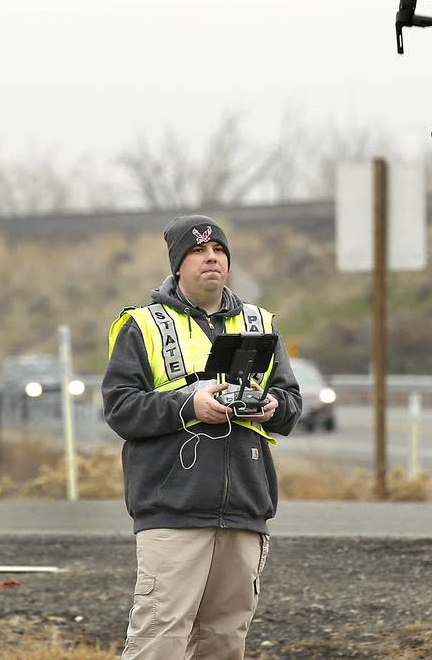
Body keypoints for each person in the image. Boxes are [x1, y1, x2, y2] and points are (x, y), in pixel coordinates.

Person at [102, 214, 301, 660]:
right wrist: (188, 406)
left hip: (244, 508)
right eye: (198, 252)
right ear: (178, 265)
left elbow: (290, 403)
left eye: (219, 252)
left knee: (225, 639)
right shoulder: (142, 325)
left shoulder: (259, 322)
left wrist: (271, 406)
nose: (211, 259)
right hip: (172, 508)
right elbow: (120, 408)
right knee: (161, 636)